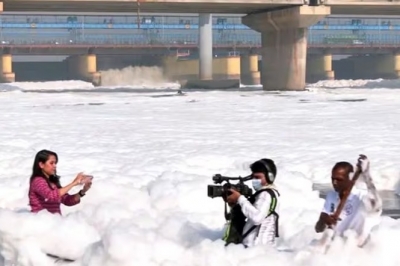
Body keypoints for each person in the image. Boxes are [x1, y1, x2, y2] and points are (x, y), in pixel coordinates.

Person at [314, 154, 382, 247]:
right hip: (337, 248)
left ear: (350, 178)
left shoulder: (361, 196)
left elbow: (376, 207)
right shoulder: (331, 196)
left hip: (356, 249)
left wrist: (367, 176)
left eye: (339, 179)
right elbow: (318, 229)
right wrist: (324, 220)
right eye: (332, 179)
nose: (334, 183)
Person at [224, 158, 280, 248]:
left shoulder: (265, 195)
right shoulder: (268, 193)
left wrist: (240, 198)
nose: (254, 180)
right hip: (260, 248)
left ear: (270, 177)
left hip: (256, 248)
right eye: (253, 177)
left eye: (258, 177)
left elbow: (257, 218)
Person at [28, 149, 92, 215]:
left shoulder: (52, 182)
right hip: (41, 222)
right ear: (41, 164)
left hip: (54, 222)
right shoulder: (37, 181)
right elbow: (50, 196)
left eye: (55, 163)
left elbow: (67, 200)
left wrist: (83, 191)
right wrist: (74, 183)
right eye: (51, 163)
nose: (54, 166)